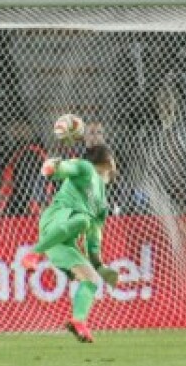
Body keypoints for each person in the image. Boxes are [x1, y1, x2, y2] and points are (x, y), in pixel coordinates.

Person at [21, 145, 120, 343]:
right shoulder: (85, 168)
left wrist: (99, 265)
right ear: (108, 161)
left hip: (62, 239)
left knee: (91, 280)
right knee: (82, 220)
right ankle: (33, 253)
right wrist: (53, 167)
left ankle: (79, 322)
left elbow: (93, 238)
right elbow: (66, 168)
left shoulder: (102, 204)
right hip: (55, 220)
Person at [0, 117, 49, 216]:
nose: (13, 131)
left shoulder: (32, 151)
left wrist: (37, 204)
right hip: (20, 204)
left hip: (26, 206)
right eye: (12, 128)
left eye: (18, 127)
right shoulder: (19, 149)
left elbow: (36, 181)